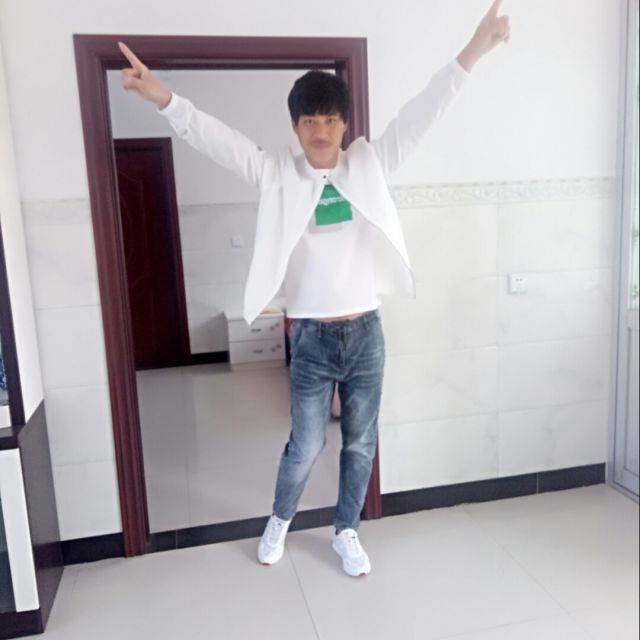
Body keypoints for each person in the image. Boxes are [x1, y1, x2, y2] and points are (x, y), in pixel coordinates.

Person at [119, 0, 510, 577]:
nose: (320, 131)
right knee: (305, 445)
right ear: (295, 127)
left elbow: (425, 111)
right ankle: (280, 519)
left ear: (345, 125)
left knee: (360, 443)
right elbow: (216, 138)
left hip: (366, 334)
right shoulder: (275, 171)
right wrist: (163, 98)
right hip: (310, 337)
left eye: (330, 120)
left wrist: (474, 49)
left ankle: (346, 530)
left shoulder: (370, 163)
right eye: (309, 121)